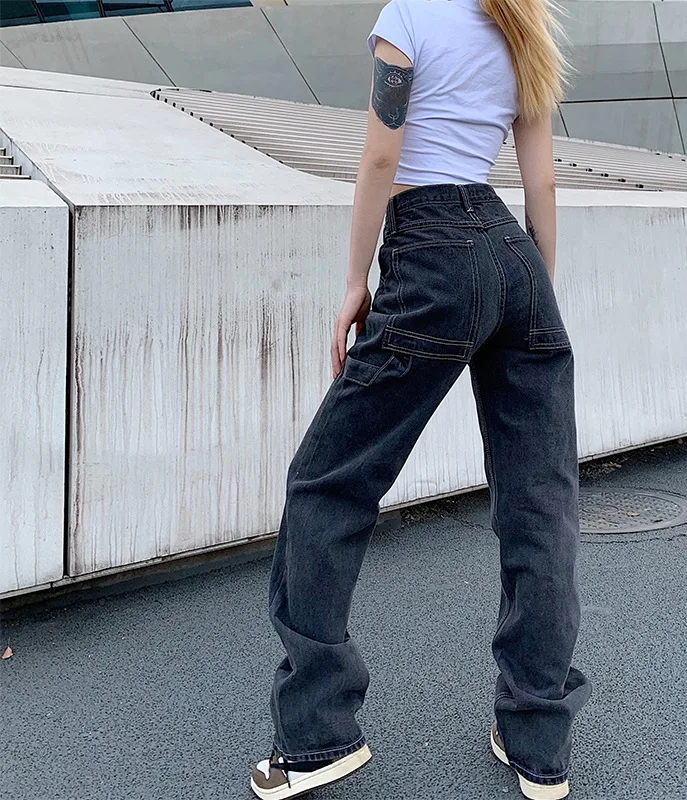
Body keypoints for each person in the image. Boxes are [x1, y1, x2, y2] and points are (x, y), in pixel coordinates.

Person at [249, 0, 592, 797]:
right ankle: (538, 741)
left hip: (432, 249)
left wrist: (353, 281)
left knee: (327, 483)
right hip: (514, 255)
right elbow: (540, 179)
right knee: (540, 505)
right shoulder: (523, 27)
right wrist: (533, 297)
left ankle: (317, 734)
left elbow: (381, 156)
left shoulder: (406, 18)